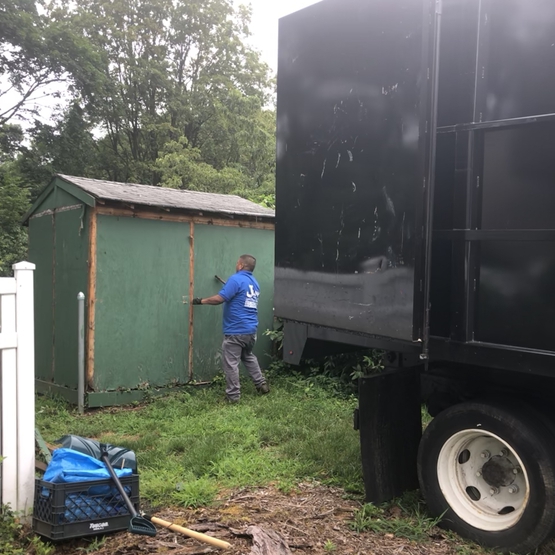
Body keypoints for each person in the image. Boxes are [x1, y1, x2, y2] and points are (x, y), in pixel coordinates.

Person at [192, 254, 269, 402]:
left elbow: (220, 299)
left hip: (236, 330)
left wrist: (201, 301)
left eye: (237, 263)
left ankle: (233, 396)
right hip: (250, 330)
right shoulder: (254, 282)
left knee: (231, 363)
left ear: (240, 265)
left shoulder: (235, 279)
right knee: (248, 356)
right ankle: (261, 384)